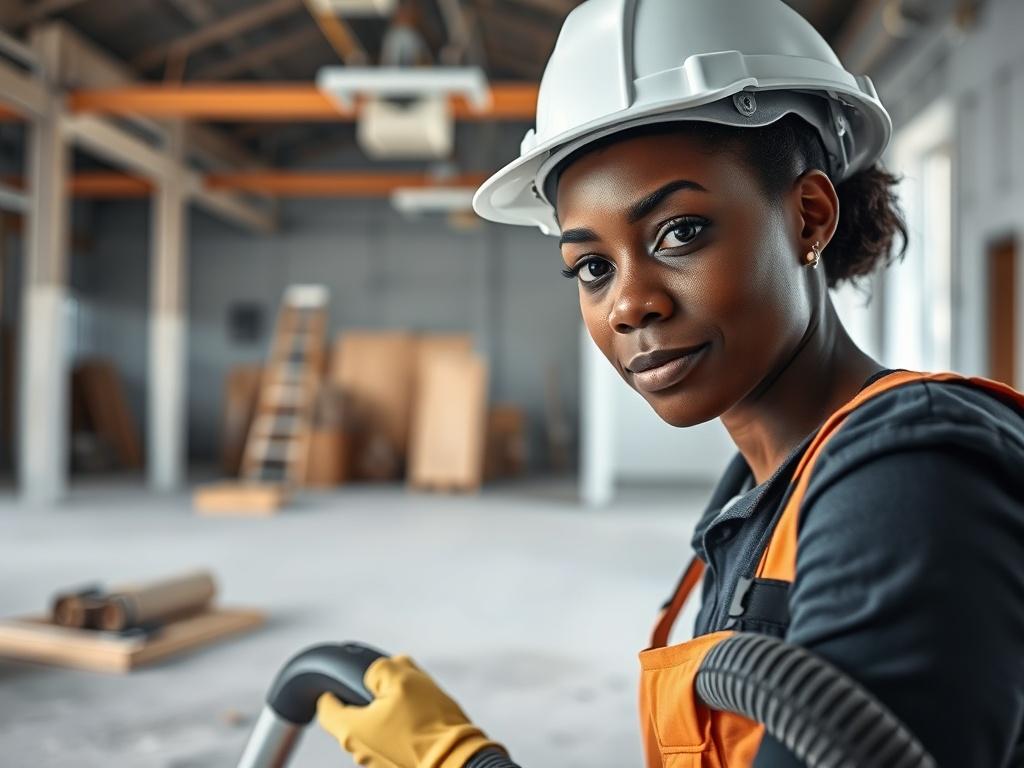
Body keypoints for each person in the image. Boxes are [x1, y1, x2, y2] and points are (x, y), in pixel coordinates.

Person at [315, 0, 1024, 765]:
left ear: (810, 217)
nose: (628, 304)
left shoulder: (909, 476)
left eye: (679, 232)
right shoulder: (753, 502)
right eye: (592, 267)